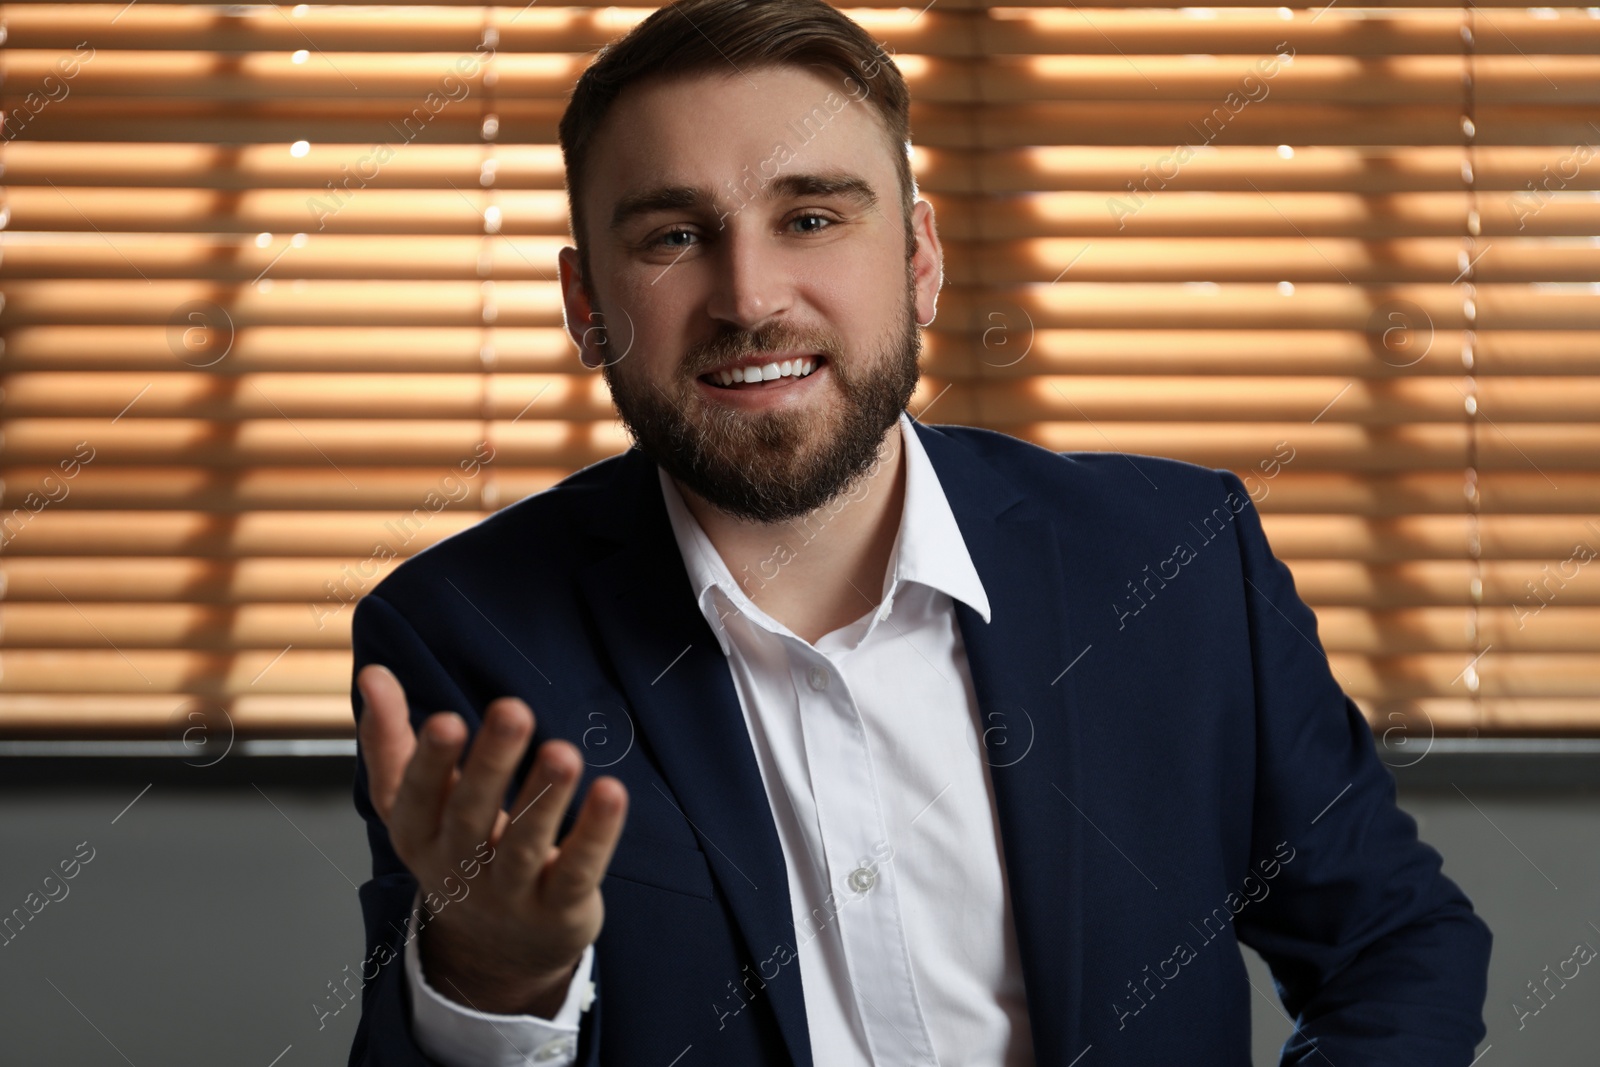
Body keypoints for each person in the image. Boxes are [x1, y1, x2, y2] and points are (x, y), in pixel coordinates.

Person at [346, 0, 1492, 1063]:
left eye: (809, 216)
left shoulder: (1179, 558)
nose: (750, 297)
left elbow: (1395, 943)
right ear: (586, 308)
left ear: (919, 257)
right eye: (671, 237)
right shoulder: (460, 635)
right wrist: (493, 984)